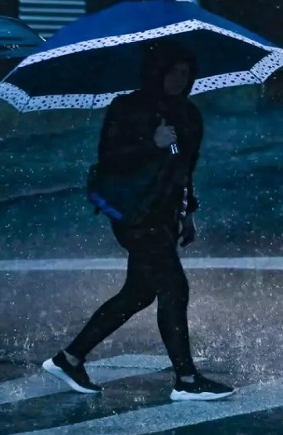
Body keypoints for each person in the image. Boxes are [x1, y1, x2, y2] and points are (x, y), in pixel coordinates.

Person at [42, 40, 235, 401]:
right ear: (156, 71)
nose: (180, 79)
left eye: (186, 73)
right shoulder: (128, 107)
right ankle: (187, 380)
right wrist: (153, 141)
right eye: (173, 71)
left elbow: (183, 168)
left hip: (163, 213)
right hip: (133, 213)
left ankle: (70, 358)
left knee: (139, 292)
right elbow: (111, 159)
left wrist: (188, 210)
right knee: (174, 288)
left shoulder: (188, 114)